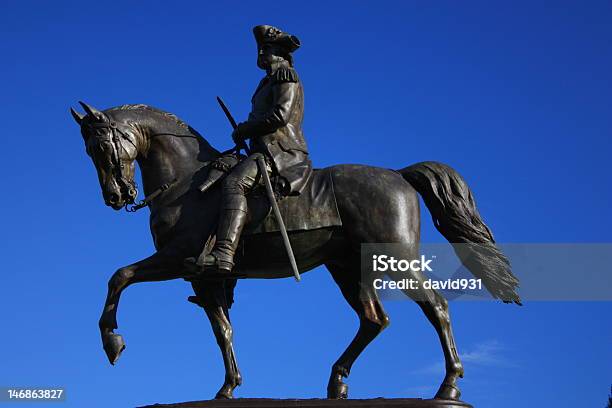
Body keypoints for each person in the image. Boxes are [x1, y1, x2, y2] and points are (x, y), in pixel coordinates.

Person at [186, 25, 312, 276]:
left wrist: (246, 129)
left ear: (279, 52)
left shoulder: (285, 75)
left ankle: (224, 252)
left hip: (280, 151)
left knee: (235, 183)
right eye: (260, 48)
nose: (261, 53)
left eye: (266, 48)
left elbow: (280, 115)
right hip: (263, 150)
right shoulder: (267, 80)